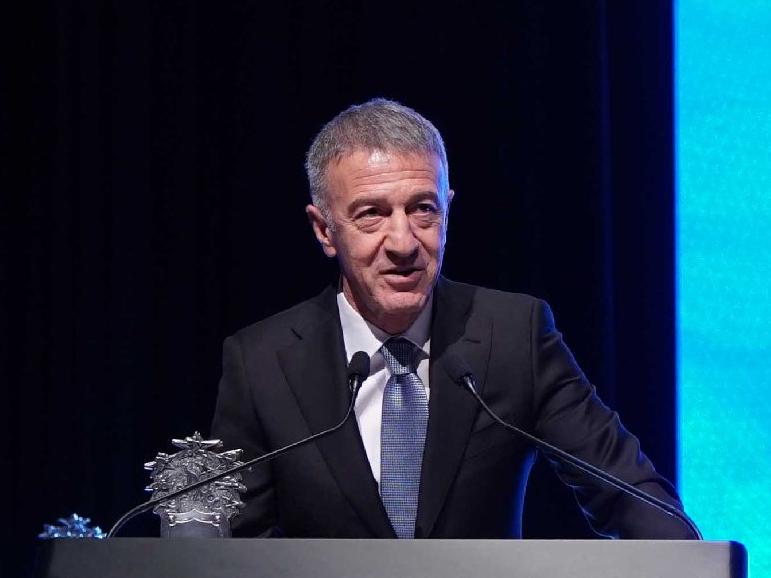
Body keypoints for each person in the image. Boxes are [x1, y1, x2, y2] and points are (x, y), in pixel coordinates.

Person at [210, 98, 697, 539]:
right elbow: (236, 546)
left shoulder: (514, 336)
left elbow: (626, 493)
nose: (403, 243)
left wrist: (688, 561)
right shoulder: (262, 363)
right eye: (372, 214)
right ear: (324, 230)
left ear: (448, 211)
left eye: (423, 209)